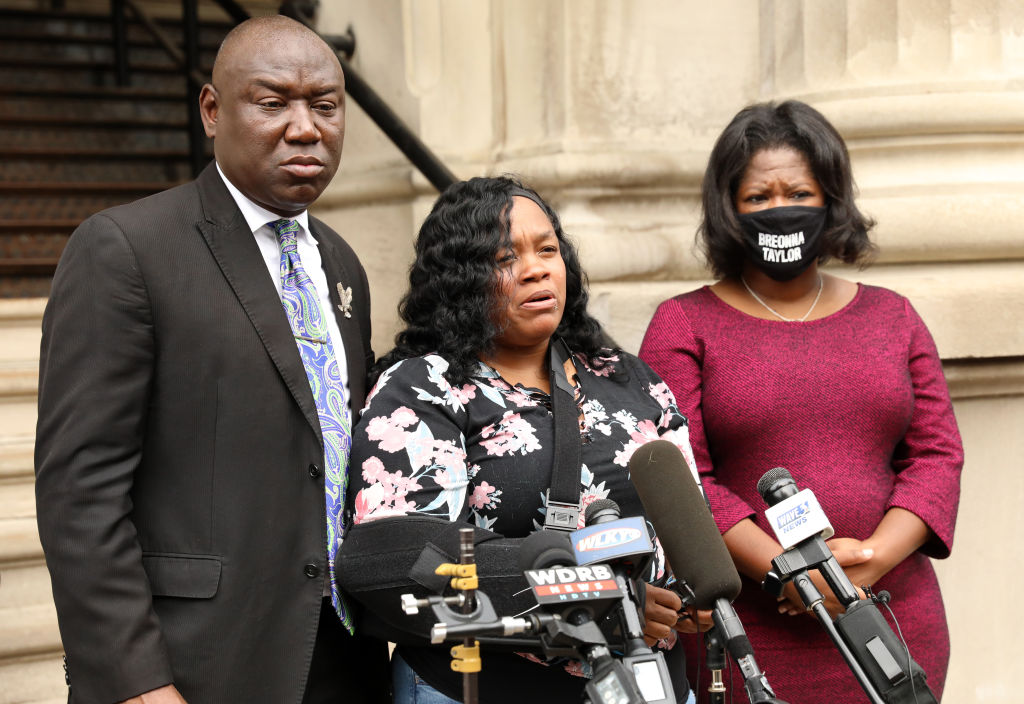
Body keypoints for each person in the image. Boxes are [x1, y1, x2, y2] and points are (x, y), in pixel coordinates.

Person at [34, 16, 389, 704]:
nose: (305, 128)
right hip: (198, 666)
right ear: (211, 110)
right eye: (273, 102)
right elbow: (81, 494)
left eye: (324, 105)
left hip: (342, 655)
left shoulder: (341, 263)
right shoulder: (126, 250)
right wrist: (137, 681)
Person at [338, 176, 709, 704]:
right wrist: (592, 595)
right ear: (460, 279)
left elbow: (687, 526)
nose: (536, 268)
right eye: (504, 258)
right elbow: (400, 559)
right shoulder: (426, 387)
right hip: (485, 688)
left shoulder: (629, 378)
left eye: (548, 250)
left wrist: (688, 594)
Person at [639, 100, 964, 702]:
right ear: (728, 209)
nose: (779, 208)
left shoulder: (893, 316)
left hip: (891, 615)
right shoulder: (683, 324)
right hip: (752, 632)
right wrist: (791, 576)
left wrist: (867, 560)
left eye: (799, 192)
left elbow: (937, 457)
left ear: (831, 201)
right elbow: (683, 475)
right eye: (758, 197)